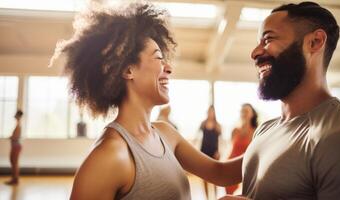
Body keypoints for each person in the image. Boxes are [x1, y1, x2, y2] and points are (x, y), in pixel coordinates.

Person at [50, 2, 243, 200]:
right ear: (128, 70)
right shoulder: (108, 157)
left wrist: (272, 137)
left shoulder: (166, 134)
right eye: (158, 58)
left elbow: (221, 174)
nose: (168, 68)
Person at [220, 2, 340, 200]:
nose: (255, 53)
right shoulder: (266, 129)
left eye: (268, 39)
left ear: (315, 42)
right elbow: (224, 174)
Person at [225, 103, 257, 195]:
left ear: (252, 114)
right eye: (242, 111)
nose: (244, 113)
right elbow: (230, 149)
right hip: (231, 165)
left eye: (246, 111)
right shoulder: (235, 130)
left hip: (246, 167)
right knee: (229, 193)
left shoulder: (256, 131)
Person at [199, 105, 222, 199]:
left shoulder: (218, 125)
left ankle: (216, 197)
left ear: (214, 113)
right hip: (203, 151)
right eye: (209, 111)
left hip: (214, 153)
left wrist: (218, 152)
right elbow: (198, 137)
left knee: (215, 177)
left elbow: (221, 140)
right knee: (204, 176)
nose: (210, 113)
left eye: (212, 112)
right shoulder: (203, 124)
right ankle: (207, 198)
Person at [5, 110, 23, 185]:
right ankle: (14, 179)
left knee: (14, 162)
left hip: (16, 146)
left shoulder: (18, 125)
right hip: (15, 146)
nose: (15, 116)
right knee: (13, 162)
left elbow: (15, 137)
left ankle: (15, 180)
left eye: (16, 115)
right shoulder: (18, 125)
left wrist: (10, 137)